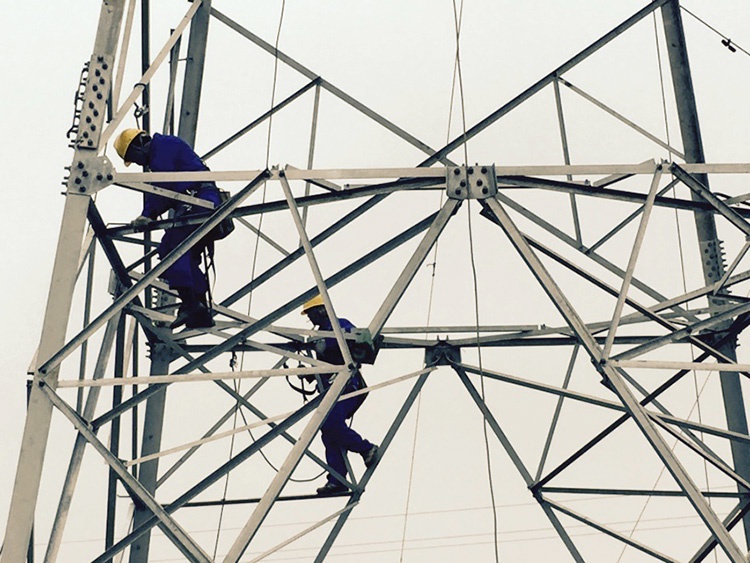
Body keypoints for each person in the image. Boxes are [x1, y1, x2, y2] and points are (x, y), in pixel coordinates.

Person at [113, 128, 221, 329]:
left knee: (172, 250)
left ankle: (192, 304)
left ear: (139, 145)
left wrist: (147, 214)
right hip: (199, 201)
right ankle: (198, 306)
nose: (139, 163)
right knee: (186, 256)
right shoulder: (165, 148)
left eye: (134, 158)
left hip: (198, 201)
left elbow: (163, 188)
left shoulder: (162, 149)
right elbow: (167, 188)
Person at [300, 295, 379, 495]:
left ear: (321, 309)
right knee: (328, 431)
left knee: (331, 424)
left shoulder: (339, 325)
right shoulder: (319, 335)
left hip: (348, 385)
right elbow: (325, 365)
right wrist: (309, 373)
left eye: (311, 313)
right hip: (333, 387)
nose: (310, 318)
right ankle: (337, 479)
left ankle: (366, 448)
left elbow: (354, 343)